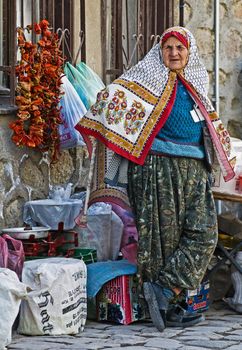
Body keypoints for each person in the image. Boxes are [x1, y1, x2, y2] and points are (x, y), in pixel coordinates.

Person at [75, 26, 235, 331]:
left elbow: (209, 126)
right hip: (156, 169)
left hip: (194, 170)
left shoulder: (196, 84)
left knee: (204, 233)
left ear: (190, 53)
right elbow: (110, 98)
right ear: (160, 52)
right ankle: (168, 308)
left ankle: (163, 291)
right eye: (168, 48)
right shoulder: (145, 80)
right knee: (162, 240)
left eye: (180, 48)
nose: (174, 53)